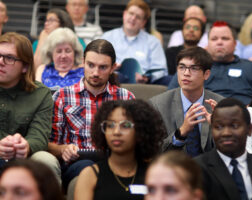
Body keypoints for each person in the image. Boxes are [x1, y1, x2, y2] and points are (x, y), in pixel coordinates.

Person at [46, 39, 135, 189]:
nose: (95, 73)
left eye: (103, 67)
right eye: (91, 65)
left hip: (114, 161)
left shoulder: (126, 98)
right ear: (83, 62)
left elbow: (136, 141)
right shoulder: (62, 96)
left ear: (113, 68)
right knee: (89, 167)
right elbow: (47, 144)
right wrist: (63, 150)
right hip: (76, 164)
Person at [194, 98, 252, 200]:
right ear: (212, 130)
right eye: (219, 127)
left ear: (249, 129)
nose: (226, 133)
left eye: (234, 126)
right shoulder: (196, 169)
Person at [74, 99, 166, 200]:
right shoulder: (90, 175)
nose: (116, 132)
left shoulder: (154, 174)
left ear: (141, 131)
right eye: (110, 125)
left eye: (125, 125)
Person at [168, 21, 252, 105]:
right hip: (205, 117)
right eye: (214, 39)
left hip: (248, 117)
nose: (219, 42)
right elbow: (171, 96)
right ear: (207, 44)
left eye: (225, 38)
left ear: (235, 43)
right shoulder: (193, 68)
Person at [150, 47, 223, 157]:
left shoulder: (220, 104)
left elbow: (230, 153)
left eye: (194, 68)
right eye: (182, 67)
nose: (186, 73)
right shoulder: (157, 105)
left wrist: (219, 129)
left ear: (206, 74)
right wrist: (181, 133)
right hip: (173, 169)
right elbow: (153, 151)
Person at [0, 32, 53, 165]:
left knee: (46, 160)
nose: (0, 62)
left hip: (23, 160)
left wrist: (26, 146)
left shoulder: (40, 94)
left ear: (25, 67)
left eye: (9, 58)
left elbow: (39, 135)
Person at [101, 0, 168, 85]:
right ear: (124, 14)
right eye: (131, 13)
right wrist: (111, 67)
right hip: (114, 79)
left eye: (138, 17)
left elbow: (161, 69)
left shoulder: (153, 42)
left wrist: (147, 77)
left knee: (170, 80)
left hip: (145, 84)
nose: (133, 18)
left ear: (143, 23)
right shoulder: (107, 37)